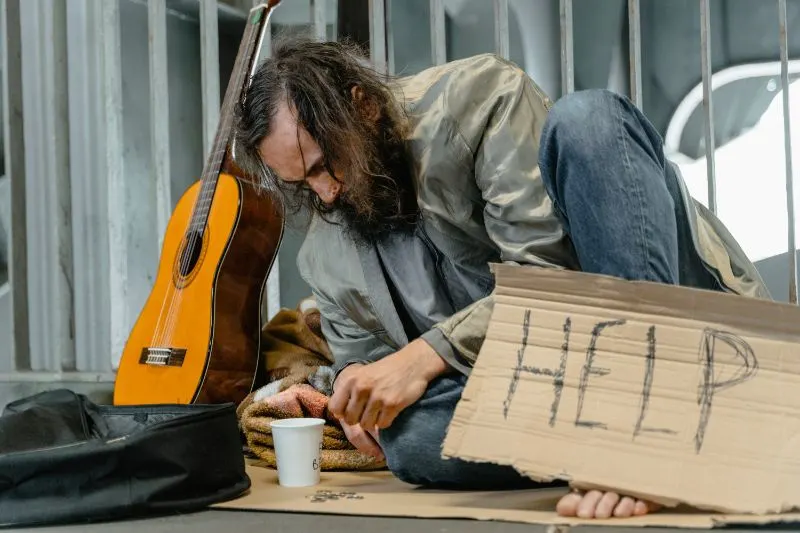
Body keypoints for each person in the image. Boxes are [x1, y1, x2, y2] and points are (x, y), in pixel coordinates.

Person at [234, 36, 771, 519]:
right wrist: (359, 400)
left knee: (588, 120)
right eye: (302, 182)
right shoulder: (325, 255)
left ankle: (648, 428)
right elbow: (369, 370)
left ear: (363, 105)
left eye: (327, 163)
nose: (326, 193)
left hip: (680, 330)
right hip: (558, 381)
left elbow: (551, 276)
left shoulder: (480, 99)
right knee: (410, 439)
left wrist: (425, 356)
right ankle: (659, 438)